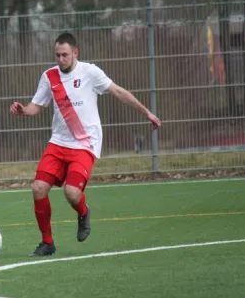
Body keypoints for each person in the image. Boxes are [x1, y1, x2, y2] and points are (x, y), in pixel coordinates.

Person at [10, 32, 161, 257]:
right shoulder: (49, 77)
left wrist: (146, 112)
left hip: (84, 144)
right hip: (58, 143)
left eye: (64, 55)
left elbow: (118, 92)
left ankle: (83, 211)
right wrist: (23, 111)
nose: (60, 59)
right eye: (57, 55)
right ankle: (47, 242)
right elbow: (36, 106)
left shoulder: (90, 72)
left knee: (72, 193)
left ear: (75, 53)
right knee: (38, 188)